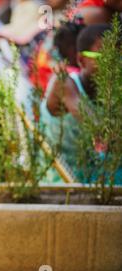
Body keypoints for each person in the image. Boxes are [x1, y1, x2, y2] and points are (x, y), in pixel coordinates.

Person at [41, 24, 110, 182]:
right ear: (81, 59)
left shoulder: (111, 93)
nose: (112, 63)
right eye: (103, 56)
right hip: (58, 184)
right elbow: (98, 127)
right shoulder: (63, 82)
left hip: (98, 181)